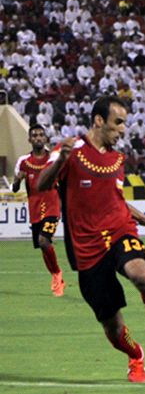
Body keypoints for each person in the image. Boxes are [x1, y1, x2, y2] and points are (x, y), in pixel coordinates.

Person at [37, 95, 145, 383]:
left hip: (120, 230)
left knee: (141, 275)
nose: (123, 129)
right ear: (99, 120)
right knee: (113, 327)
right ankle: (136, 355)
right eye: (118, 122)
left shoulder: (118, 159)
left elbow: (116, 199)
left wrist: (144, 218)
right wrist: (61, 158)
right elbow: (42, 184)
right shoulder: (69, 150)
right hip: (87, 247)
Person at [12, 124, 65, 297]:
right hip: (35, 209)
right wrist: (18, 180)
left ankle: (57, 274)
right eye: (34, 135)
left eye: (41, 135)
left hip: (52, 206)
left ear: (46, 138)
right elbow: (14, 188)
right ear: (29, 139)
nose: (38, 138)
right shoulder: (23, 162)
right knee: (43, 246)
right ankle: (55, 275)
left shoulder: (54, 159)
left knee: (44, 240)